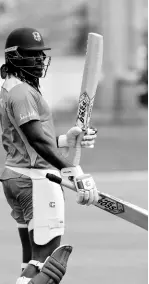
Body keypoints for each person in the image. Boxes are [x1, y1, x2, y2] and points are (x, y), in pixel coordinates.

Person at [0, 27, 98, 284]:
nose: (40, 60)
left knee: (31, 263)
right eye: (32, 55)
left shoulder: (12, 88)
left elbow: (30, 140)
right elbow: (36, 140)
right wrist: (72, 170)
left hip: (17, 176)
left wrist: (67, 140)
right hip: (36, 181)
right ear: (14, 56)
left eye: (41, 55)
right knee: (48, 266)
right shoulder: (22, 92)